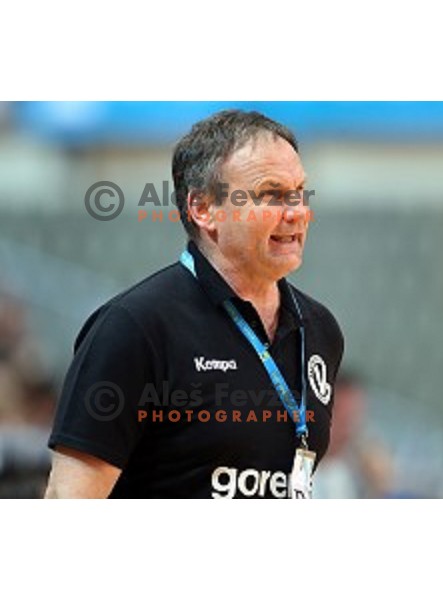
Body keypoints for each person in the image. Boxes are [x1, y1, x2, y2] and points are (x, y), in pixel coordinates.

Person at [44, 110, 344, 499]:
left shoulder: (319, 329)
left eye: (299, 192)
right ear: (204, 210)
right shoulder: (135, 327)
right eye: (270, 194)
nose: (296, 212)